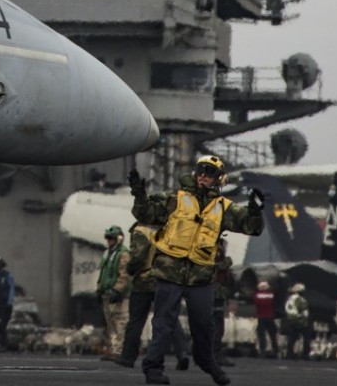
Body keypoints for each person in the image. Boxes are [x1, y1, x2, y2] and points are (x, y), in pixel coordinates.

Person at [129, 155, 264, 385]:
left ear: (219, 178)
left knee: (204, 324)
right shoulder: (175, 198)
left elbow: (252, 227)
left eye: (210, 171)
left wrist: (255, 209)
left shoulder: (224, 208)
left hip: (200, 277)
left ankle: (206, 361)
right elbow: (145, 214)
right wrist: (139, 194)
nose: (203, 174)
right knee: (163, 323)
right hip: (170, 272)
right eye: (201, 169)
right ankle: (152, 368)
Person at [117, 223, 190, 371]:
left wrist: (130, 269)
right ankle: (182, 353)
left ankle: (128, 357)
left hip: (144, 280)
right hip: (164, 279)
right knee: (170, 318)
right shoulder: (169, 227)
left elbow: (138, 256)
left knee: (136, 321)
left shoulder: (141, 230)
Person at [96, 225, 131, 360]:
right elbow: (103, 273)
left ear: (119, 238)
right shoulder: (108, 254)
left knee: (120, 322)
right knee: (110, 323)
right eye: (108, 238)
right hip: (106, 293)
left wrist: (117, 290)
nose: (109, 240)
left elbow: (124, 274)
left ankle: (119, 351)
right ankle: (113, 349)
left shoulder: (123, 254)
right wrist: (99, 289)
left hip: (119, 296)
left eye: (111, 238)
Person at [212, 241, 235, 366]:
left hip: (214, 293)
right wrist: (227, 261)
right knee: (217, 326)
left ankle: (206, 354)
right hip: (215, 293)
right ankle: (215, 354)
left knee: (211, 325)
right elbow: (217, 267)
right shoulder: (215, 251)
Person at [283, 282, 311, 360]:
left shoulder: (289, 298)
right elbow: (304, 310)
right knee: (306, 337)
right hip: (300, 320)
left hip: (291, 319)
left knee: (292, 338)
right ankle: (305, 354)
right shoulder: (300, 299)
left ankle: (289, 354)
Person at [253, 281, 278, 358]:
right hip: (270, 316)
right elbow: (274, 304)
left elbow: (256, 304)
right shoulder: (271, 295)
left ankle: (262, 352)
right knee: (272, 335)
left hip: (261, 317)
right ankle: (276, 351)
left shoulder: (257, 295)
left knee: (261, 335)